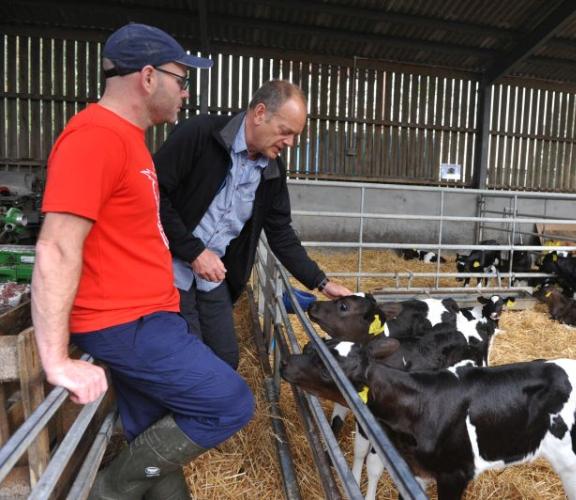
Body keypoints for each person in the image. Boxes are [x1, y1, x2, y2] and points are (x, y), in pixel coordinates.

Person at [31, 23, 254, 499]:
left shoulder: (131, 142)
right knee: (230, 402)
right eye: (181, 79)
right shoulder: (95, 137)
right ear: (148, 77)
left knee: (153, 431)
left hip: (147, 316)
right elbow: (56, 246)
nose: (186, 92)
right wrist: (56, 361)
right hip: (125, 322)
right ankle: (107, 492)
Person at [154, 80, 351, 369]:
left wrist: (320, 281)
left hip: (214, 277)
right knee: (189, 362)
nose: (291, 143)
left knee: (226, 360)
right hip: (170, 271)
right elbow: (155, 194)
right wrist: (194, 252)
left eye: (296, 136)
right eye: (286, 132)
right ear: (260, 113)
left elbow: (280, 232)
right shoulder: (199, 134)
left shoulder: (272, 171)